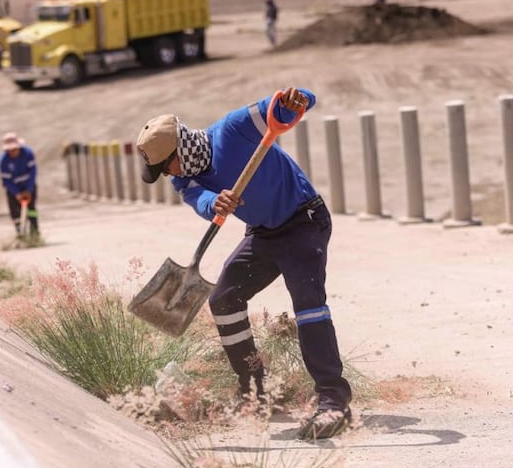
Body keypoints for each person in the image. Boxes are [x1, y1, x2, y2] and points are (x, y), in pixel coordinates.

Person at [135, 87, 353, 440]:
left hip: (304, 221)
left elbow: (286, 106)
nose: (166, 173)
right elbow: (200, 198)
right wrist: (215, 204)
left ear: (180, 150)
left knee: (308, 305)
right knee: (223, 299)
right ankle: (255, 389)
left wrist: (295, 101)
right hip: (264, 234)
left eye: (165, 165)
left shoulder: (234, 128)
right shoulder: (182, 177)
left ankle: (333, 400)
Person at [0, 132, 40, 237]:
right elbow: (6, 180)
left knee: (31, 209)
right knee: (15, 211)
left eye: (15, 149)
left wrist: (28, 190)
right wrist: (17, 193)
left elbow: (33, 172)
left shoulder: (28, 153)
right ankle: (20, 233)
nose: (13, 151)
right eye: (10, 150)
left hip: (28, 186)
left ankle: (35, 232)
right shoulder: (4, 160)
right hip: (13, 189)